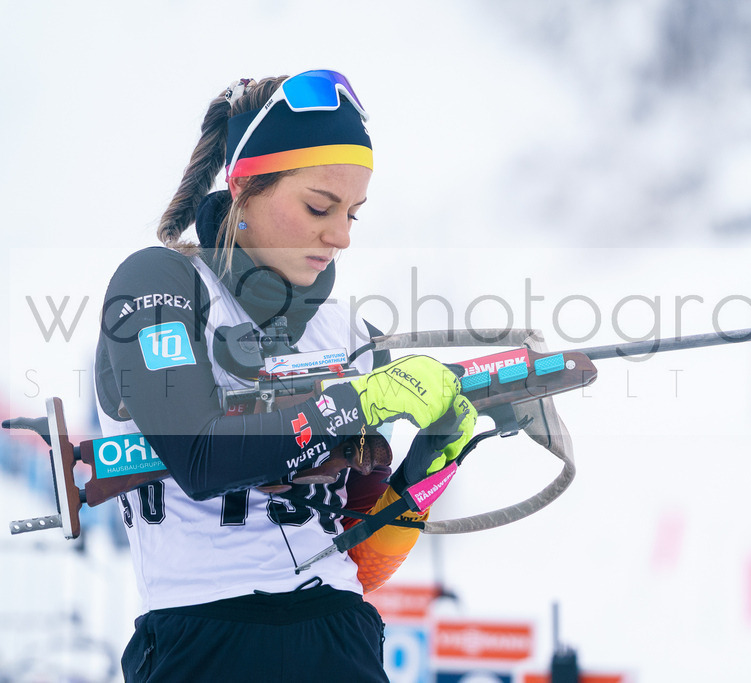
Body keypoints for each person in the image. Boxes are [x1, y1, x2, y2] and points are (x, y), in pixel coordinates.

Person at [94, 70, 477, 682]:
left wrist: (434, 461)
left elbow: (362, 559)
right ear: (244, 187)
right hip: (203, 634)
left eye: (354, 213)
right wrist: (355, 405)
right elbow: (200, 456)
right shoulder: (161, 284)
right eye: (320, 207)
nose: (341, 235)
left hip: (339, 633)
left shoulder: (347, 332)